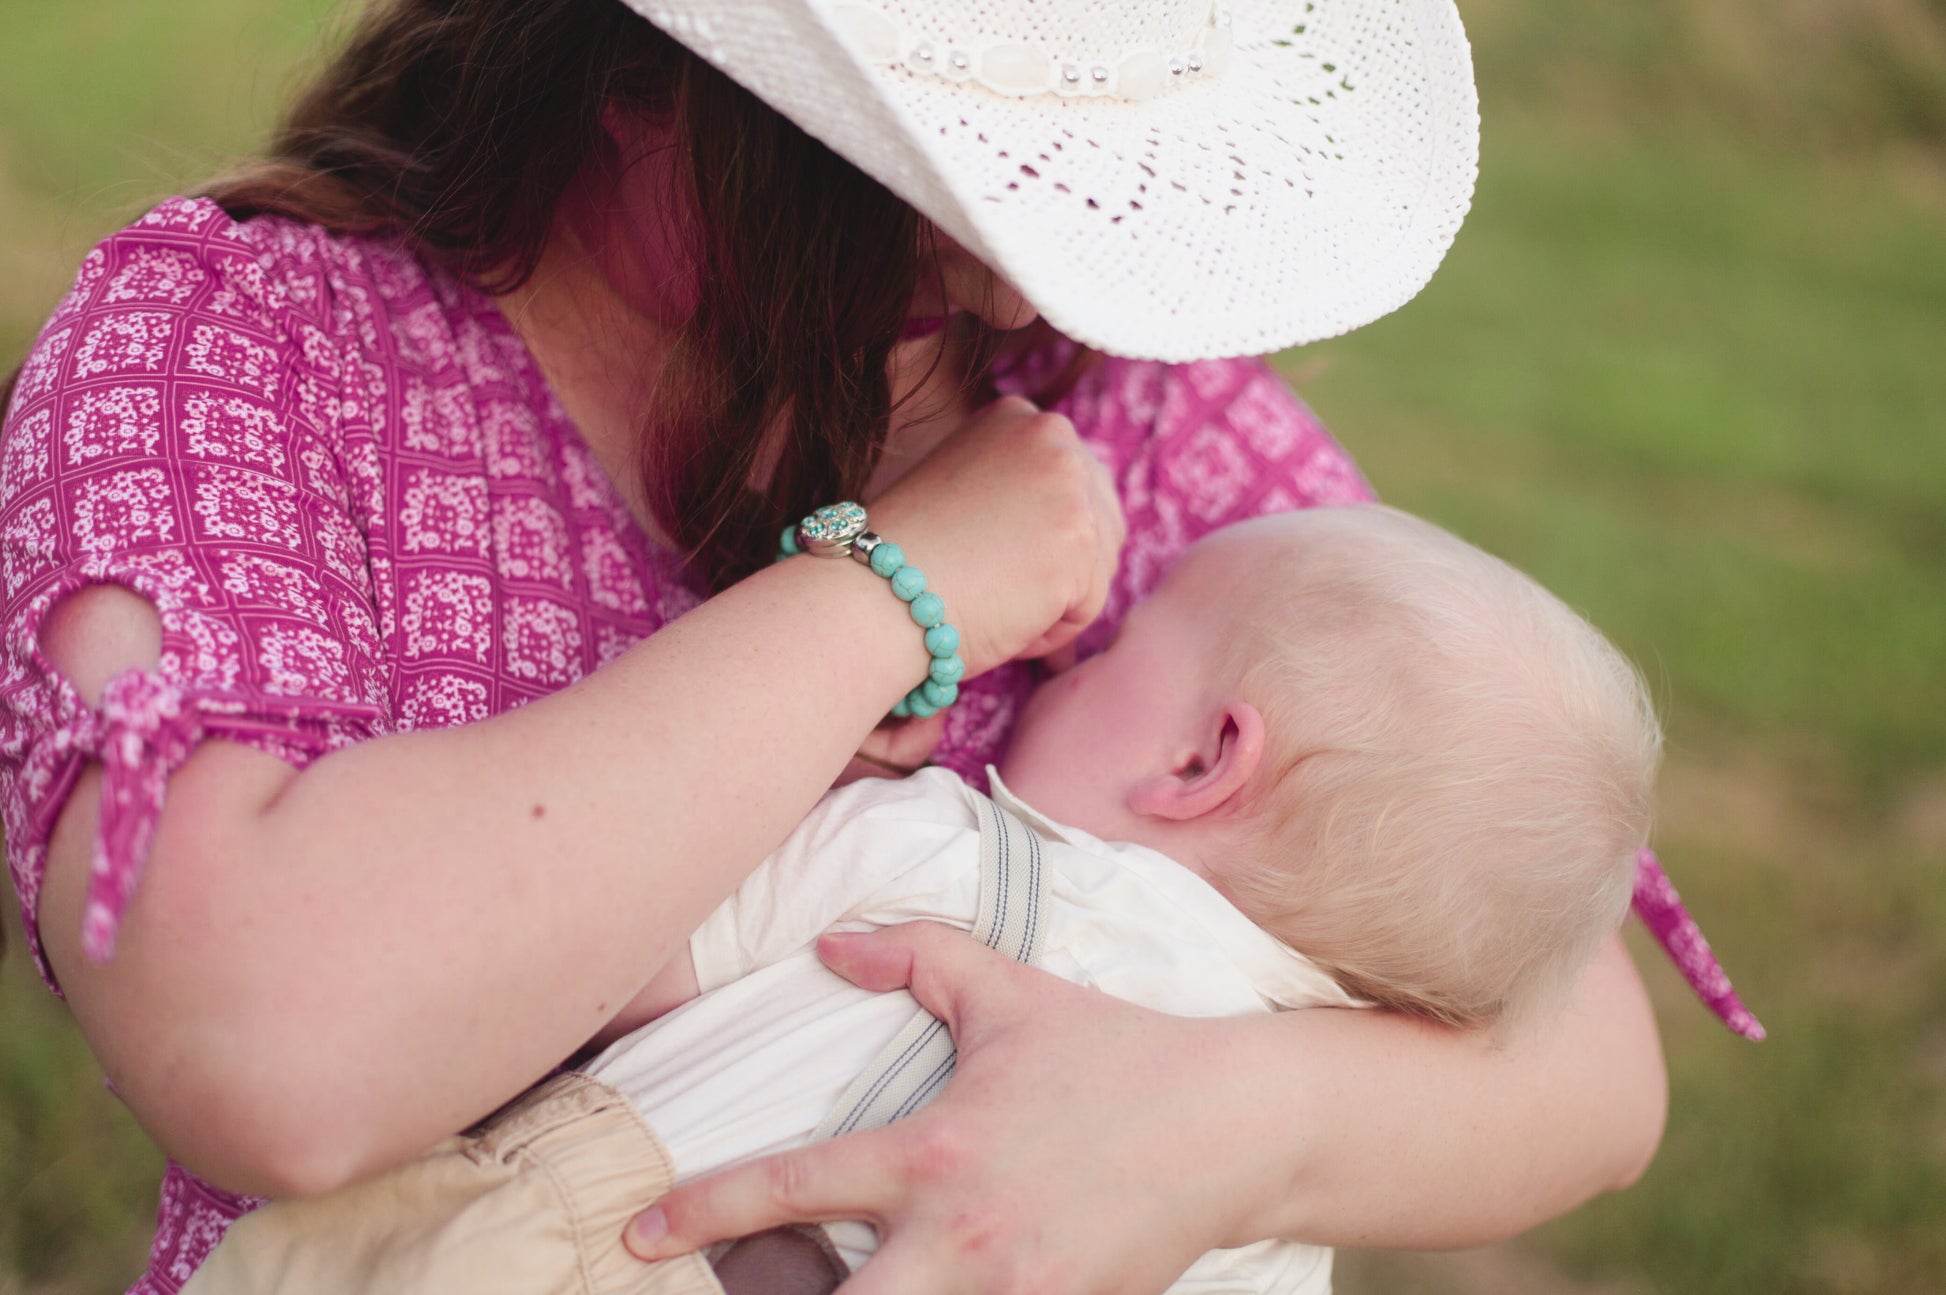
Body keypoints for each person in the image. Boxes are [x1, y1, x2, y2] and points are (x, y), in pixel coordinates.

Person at [0, 1, 1744, 1291]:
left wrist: (1201, 1134)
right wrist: (886, 595)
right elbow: (277, 1054)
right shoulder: (245, 352)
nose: (1006, 292)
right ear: (630, 77)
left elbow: (1587, 1059)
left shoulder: (1103, 388)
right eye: (921, 185)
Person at [175, 502, 1663, 1295]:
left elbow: (579, 974)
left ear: (1205, 756)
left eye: (1113, 647)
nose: (1067, 662)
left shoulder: (930, 857)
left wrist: (814, 739)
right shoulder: (1279, 1229)